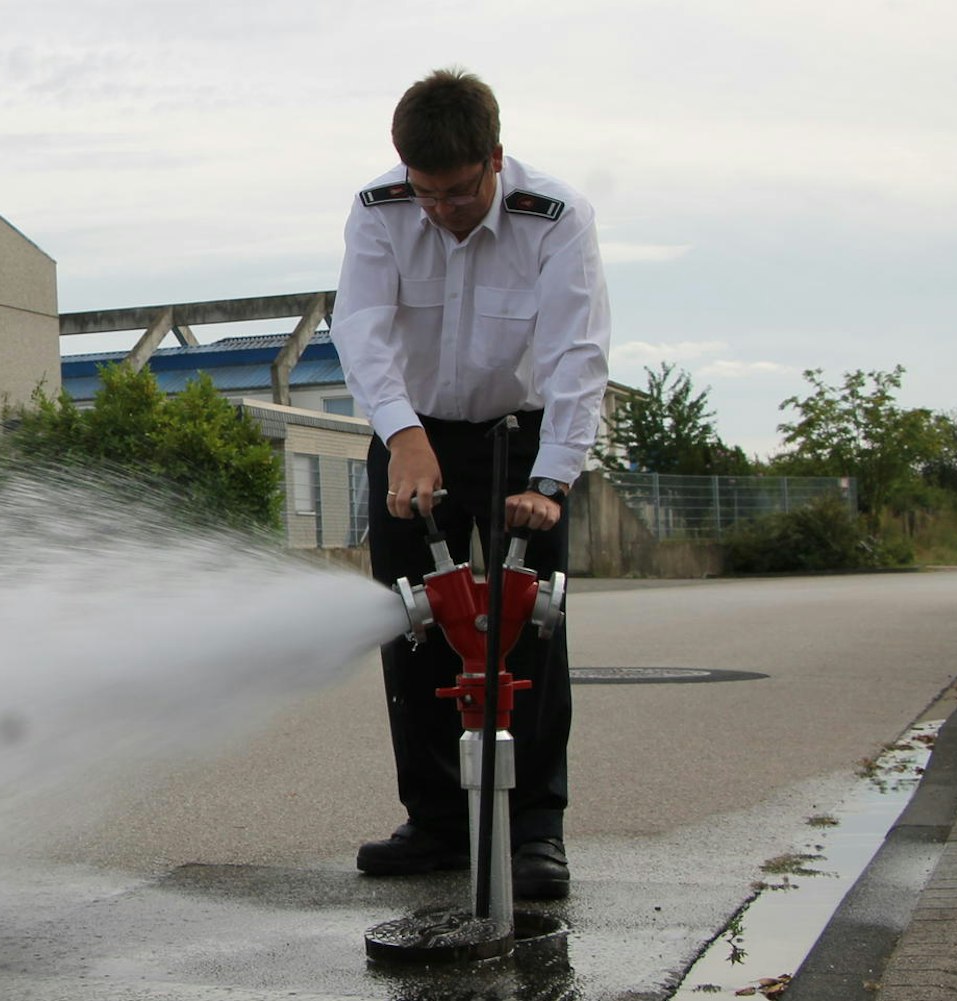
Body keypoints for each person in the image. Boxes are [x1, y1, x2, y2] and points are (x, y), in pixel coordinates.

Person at [329, 68, 610, 900]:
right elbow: (362, 329)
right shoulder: (379, 210)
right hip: (410, 428)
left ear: (495, 158)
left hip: (521, 439)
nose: (440, 212)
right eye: (425, 193)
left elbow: (576, 355)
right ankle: (437, 822)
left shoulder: (554, 219)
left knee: (529, 631)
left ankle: (535, 832)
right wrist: (404, 434)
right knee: (410, 624)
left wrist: (553, 478)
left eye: (456, 193)